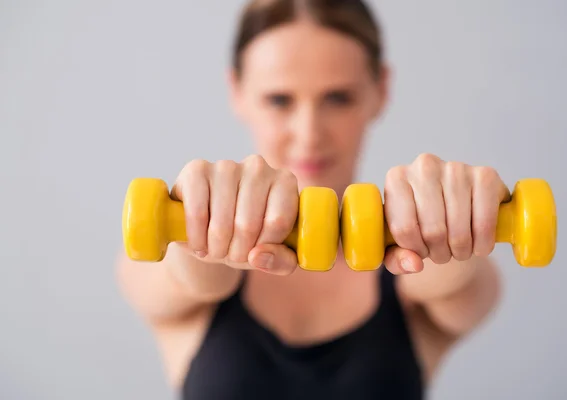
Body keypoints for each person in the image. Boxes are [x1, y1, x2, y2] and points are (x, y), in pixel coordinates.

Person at [117, 0, 507, 398]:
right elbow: (189, 280)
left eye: (338, 98)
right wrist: (200, 239)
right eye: (279, 100)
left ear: (381, 91)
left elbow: (455, 285)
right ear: (237, 92)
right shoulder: (162, 246)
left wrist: (453, 229)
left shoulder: (427, 279)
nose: (309, 134)